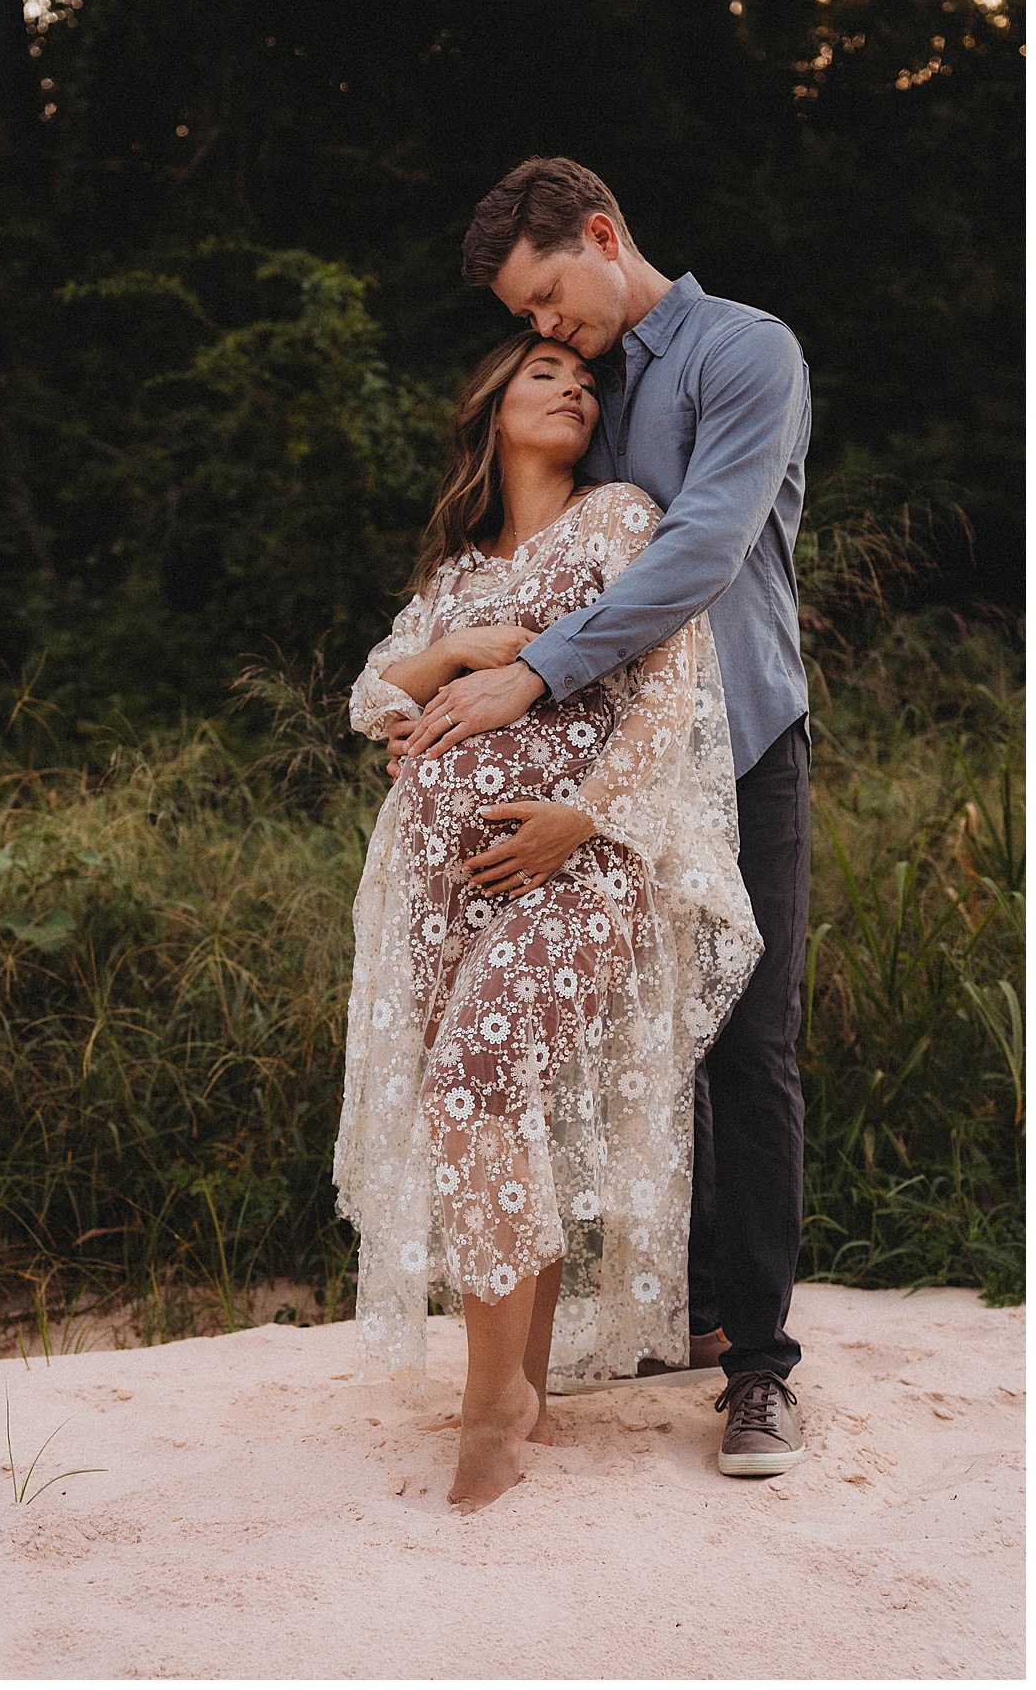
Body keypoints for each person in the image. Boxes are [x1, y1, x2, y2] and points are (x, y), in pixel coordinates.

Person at [397, 157, 812, 1479]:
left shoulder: (747, 353)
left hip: (741, 747)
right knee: (631, 1045)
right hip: (607, 785)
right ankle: (678, 1310)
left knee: (749, 1045)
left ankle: (759, 1369)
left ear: (599, 232)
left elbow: (701, 553)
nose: (547, 334)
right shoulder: (589, 394)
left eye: (551, 299)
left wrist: (535, 663)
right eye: (527, 323)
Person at [335, 330, 761, 1512]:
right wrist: (458, 648)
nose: (573, 384)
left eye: (585, 378)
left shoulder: (621, 516)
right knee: (491, 1106)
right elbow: (372, 695)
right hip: (435, 883)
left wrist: (580, 815)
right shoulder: (455, 573)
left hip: (573, 859)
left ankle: (493, 1408)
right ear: (491, 407)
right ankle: (522, 1375)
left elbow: (670, 682)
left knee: (474, 1081)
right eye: (542, 373)